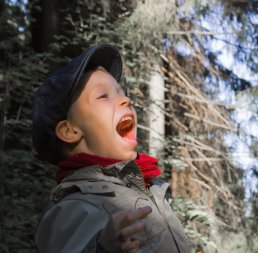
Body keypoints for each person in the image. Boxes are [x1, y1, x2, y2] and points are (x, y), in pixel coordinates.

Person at [33, 44, 190, 253]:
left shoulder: (150, 188)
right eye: (103, 96)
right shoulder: (72, 207)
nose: (126, 99)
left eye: (121, 91)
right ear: (70, 131)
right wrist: (102, 249)